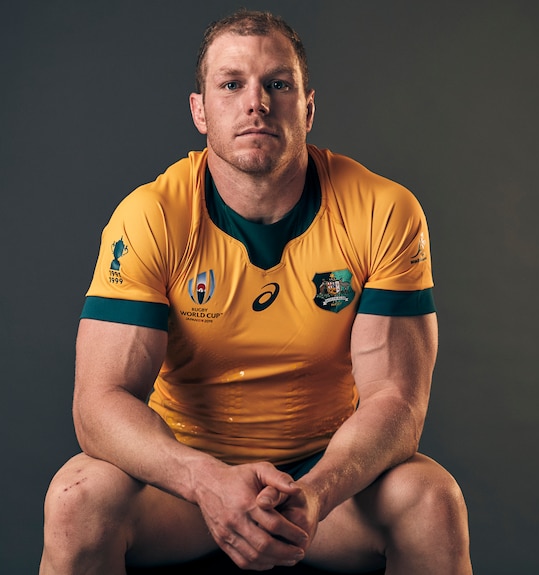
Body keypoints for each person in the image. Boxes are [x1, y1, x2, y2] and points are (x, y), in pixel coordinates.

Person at [40, 9, 472, 575]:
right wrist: (205, 480)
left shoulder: (382, 210)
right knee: (76, 499)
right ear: (200, 110)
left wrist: (313, 494)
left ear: (307, 107)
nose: (256, 103)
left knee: (433, 502)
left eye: (277, 84)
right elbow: (98, 405)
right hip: (186, 485)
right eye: (231, 84)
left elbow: (397, 401)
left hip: (322, 487)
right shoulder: (152, 216)